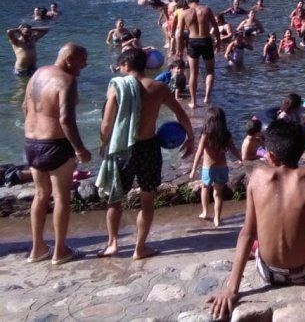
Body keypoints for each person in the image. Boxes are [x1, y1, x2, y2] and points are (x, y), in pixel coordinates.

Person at [206, 120, 305, 320]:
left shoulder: (257, 177)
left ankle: (257, 250)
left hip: (267, 272)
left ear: (272, 157)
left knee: (255, 240)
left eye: (265, 152)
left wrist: (232, 290)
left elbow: (247, 233)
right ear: (301, 151)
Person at [97, 48, 194, 260]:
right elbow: (181, 114)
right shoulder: (158, 88)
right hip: (149, 147)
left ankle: (113, 244)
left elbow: (106, 123)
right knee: (147, 198)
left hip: (123, 148)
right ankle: (139, 248)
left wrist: (103, 144)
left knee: (115, 198)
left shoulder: (117, 87)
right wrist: (191, 138)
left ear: (125, 66)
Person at [23, 44, 91, 264]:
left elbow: (25, 106)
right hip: (56, 144)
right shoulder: (67, 81)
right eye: (82, 61)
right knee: (61, 197)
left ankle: (37, 249)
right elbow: (66, 119)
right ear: (69, 59)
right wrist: (80, 148)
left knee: (40, 194)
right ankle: (60, 251)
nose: (85, 65)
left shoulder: (37, 74)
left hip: (32, 142)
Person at [190, 106, 242, 227]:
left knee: (205, 189)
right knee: (218, 193)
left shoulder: (206, 135)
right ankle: (217, 219)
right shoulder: (226, 135)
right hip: (222, 168)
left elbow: (199, 152)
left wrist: (193, 169)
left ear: (208, 121)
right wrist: (240, 159)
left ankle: (205, 212)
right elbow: (234, 149)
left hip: (208, 169)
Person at [175, 0, 221, 108]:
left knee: (193, 74)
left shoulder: (183, 13)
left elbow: (179, 34)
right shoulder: (207, 9)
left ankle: (194, 102)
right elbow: (215, 28)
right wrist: (219, 42)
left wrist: (179, 48)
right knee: (210, 71)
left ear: (187, 1)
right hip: (206, 41)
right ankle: (207, 97)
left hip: (193, 42)